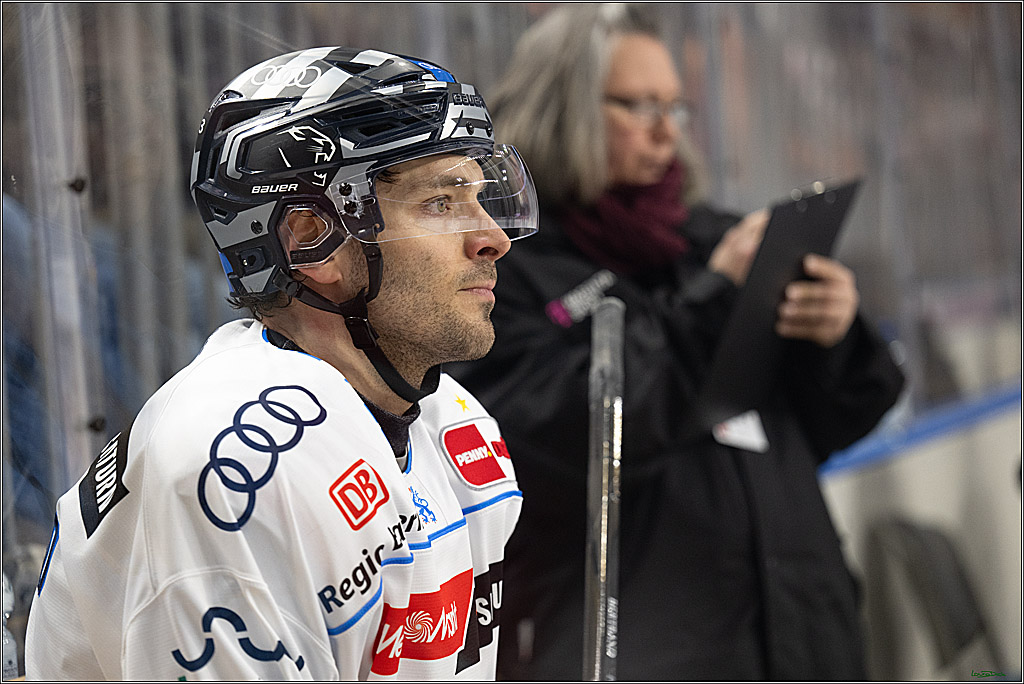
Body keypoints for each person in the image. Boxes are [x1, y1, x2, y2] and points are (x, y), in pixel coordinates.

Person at [24, 46, 538, 680]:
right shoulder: (235, 466)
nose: (493, 236)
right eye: (440, 203)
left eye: (481, 198)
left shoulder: (457, 423)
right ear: (310, 242)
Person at [448, 4, 905, 681]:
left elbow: (842, 418)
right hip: (639, 645)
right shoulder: (500, 270)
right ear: (562, 104)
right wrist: (716, 301)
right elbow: (558, 443)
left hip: (803, 632)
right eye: (639, 106)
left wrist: (835, 335)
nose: (667, 130)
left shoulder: (710, 237)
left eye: (676, 108)